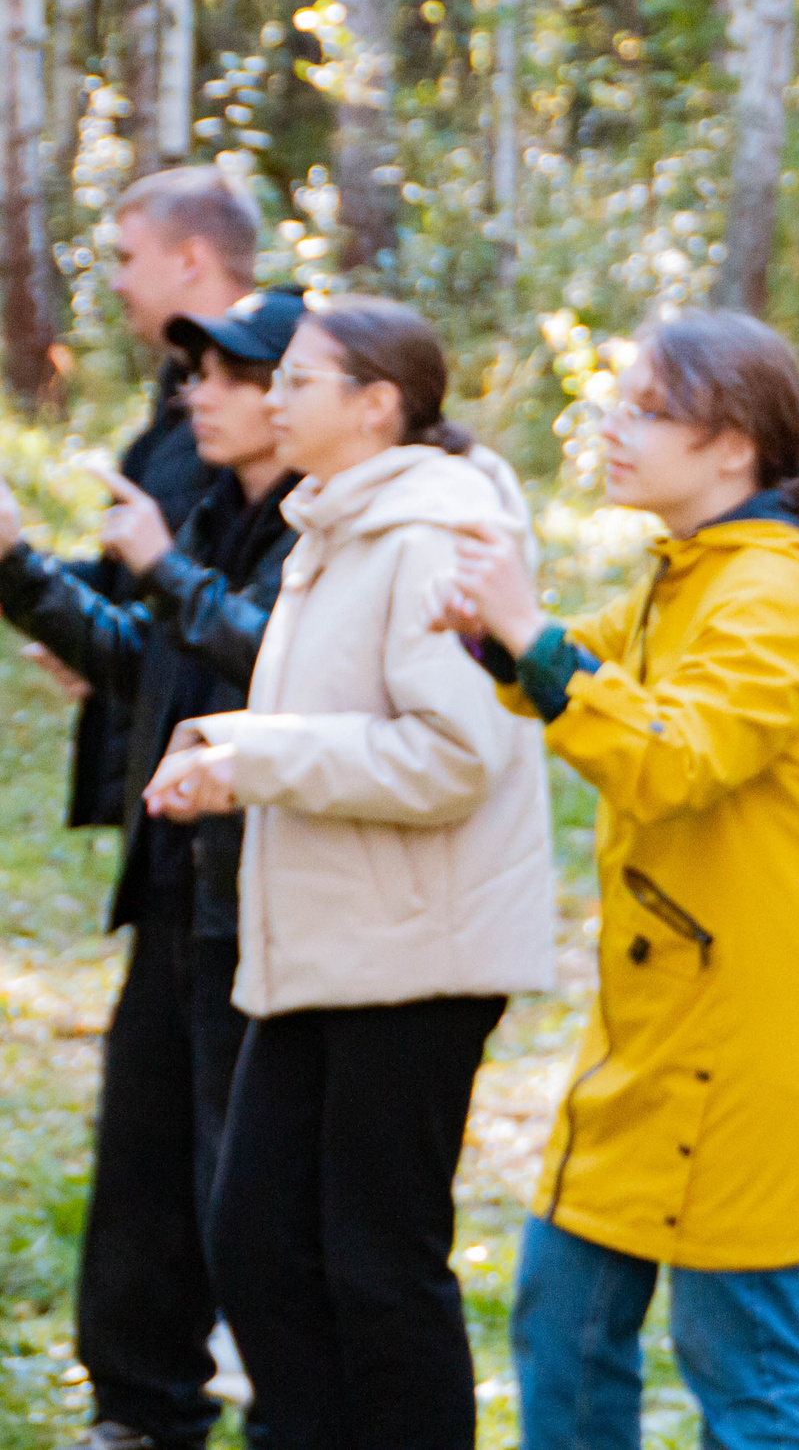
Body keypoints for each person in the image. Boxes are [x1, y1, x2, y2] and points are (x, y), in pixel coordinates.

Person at [424, 311, 799, 1450]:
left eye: (647, 411)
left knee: (747, 1370)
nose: (613, 431)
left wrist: (524, 629)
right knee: (563, 1324)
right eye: (617, 406)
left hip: (753, 1045)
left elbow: (674, 758)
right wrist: (497, 632)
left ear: (731, 447)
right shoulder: (690, 573)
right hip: (655, 1038)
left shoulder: (770, 590)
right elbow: (585, 665)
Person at [143, 298, 556, 1450]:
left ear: (377, 406)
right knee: (258, 1241)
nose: (271, 398)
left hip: (417, 954)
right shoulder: (338, 526)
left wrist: (253, 760)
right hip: (330, 950)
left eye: (297, 380)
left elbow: (454, 757)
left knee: (378, 1263)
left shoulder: (438, 535)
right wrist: (234, 750)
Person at [0, 292, 302, 1450]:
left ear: (295, 396)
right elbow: (147, 663)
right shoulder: (214, 512)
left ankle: (279, 1409)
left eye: (226, 377)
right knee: (141, 1170)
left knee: (243, 1187)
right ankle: (138, 1412)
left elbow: (277, 661)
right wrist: (20, 569)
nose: (196, 398)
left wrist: (164, 567)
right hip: (175, 886)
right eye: (195, 375)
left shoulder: (319, 530)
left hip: (263, 904)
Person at [50, 168, 265, 840]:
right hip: (168, 793)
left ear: (191, 259)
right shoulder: (176, 400)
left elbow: (242, 614)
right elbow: (147, 590)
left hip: (227, 797)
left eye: (126, 257)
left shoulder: (260, 418)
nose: (116, 281)